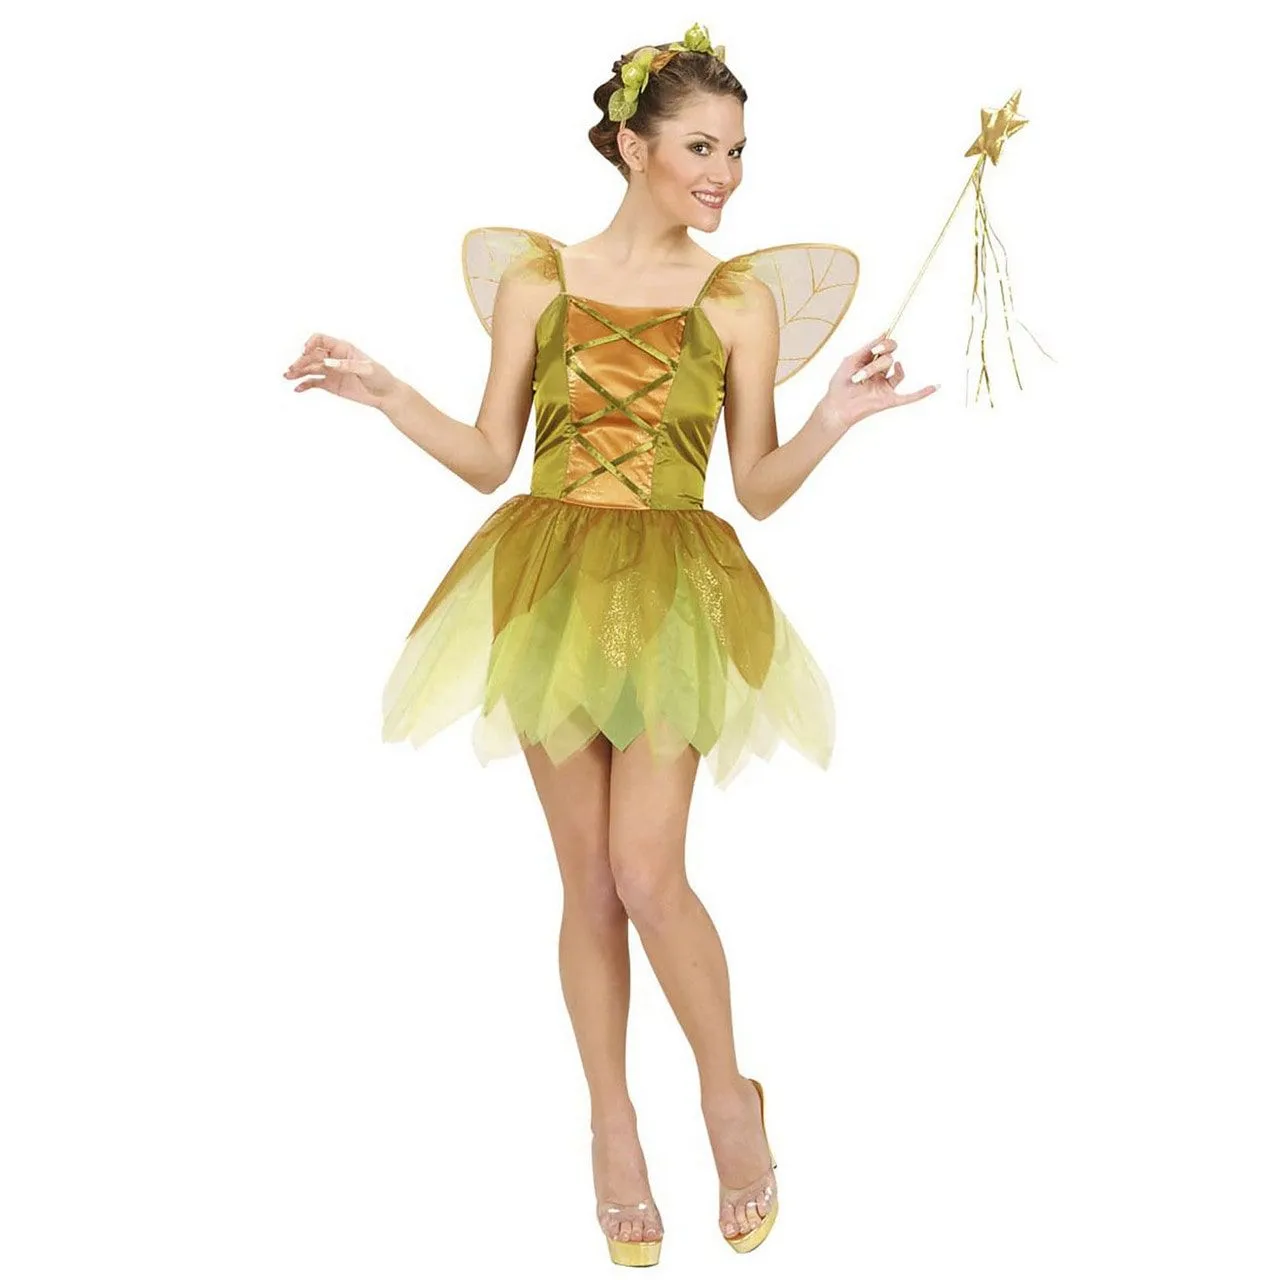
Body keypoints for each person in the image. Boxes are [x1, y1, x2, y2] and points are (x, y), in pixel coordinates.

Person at [283, 23, 936, 1266]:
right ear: (632, 146)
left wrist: (833, 417)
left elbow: (757, 486)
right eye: (700, 147)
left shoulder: (736, 301)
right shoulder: (538, 280)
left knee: (646, 868)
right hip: (551, 584)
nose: (724, 175)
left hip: (675, 590)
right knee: (585, 879)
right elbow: (490, 455)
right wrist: (384, 391)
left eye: (735, 151)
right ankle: (612, 1124)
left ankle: (727, 1095)